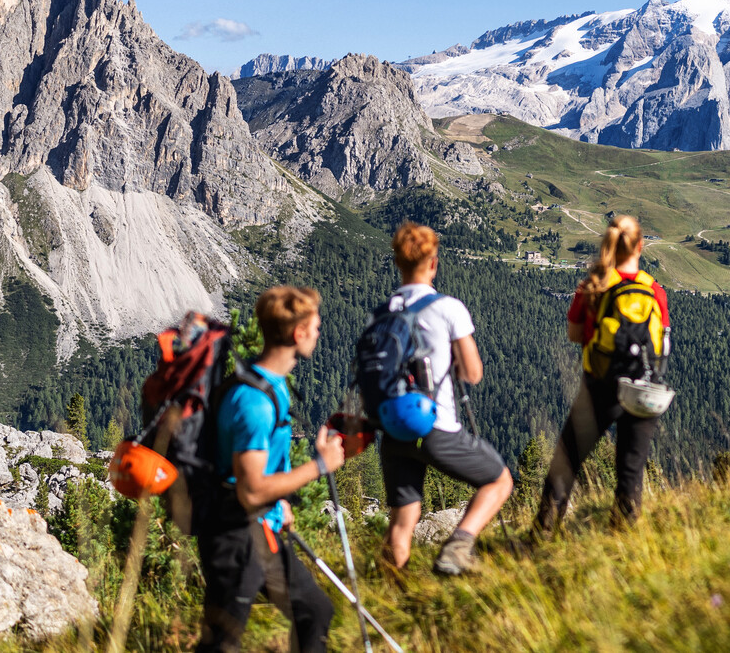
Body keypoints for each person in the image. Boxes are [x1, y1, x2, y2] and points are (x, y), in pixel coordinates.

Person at [196, 286, 344, 653]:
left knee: (315, 611)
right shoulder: (255, 402)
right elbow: (250, 490)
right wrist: (320, 466)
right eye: (315, 326)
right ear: (298, 333)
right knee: (222, 644)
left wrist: (280, 504)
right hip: (237, 535)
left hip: (262, 527)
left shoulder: (270, 386)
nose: (319, 333)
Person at [374, 222, 514, 576]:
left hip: (392, 429)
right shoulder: (448, 308)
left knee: (403, 519)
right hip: (436, 426)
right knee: (499, 481)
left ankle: (394, 597)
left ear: (398, 263)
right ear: (433, 262)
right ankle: (458, 545)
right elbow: (472, 373)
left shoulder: (385, 310)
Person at [535, 214, 671, 532]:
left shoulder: (594, 285)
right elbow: (662, 339)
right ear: (640, 246)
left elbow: (574, 333)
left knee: (567, 461)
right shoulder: (653, 290)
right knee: (631, 469)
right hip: (642, 388)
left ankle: (541, 536)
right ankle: (622, 539)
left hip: (600, 385)